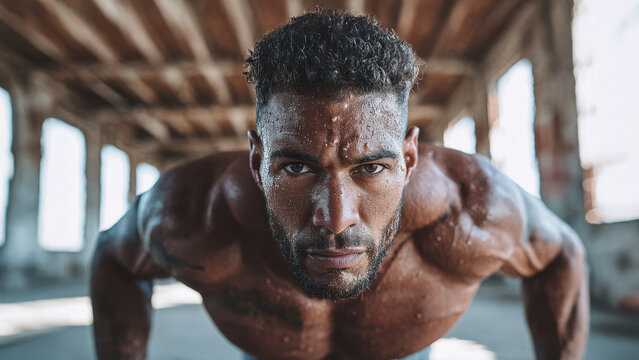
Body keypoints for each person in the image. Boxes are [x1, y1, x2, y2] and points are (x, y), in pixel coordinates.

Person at [90, 9, 588, 360]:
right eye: (296, 168)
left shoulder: (471, 210)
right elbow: (113, 258)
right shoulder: (190, 214)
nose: (336, 217)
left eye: (370, 168)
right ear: (258, 159)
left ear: (409, 157)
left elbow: (563, 254)